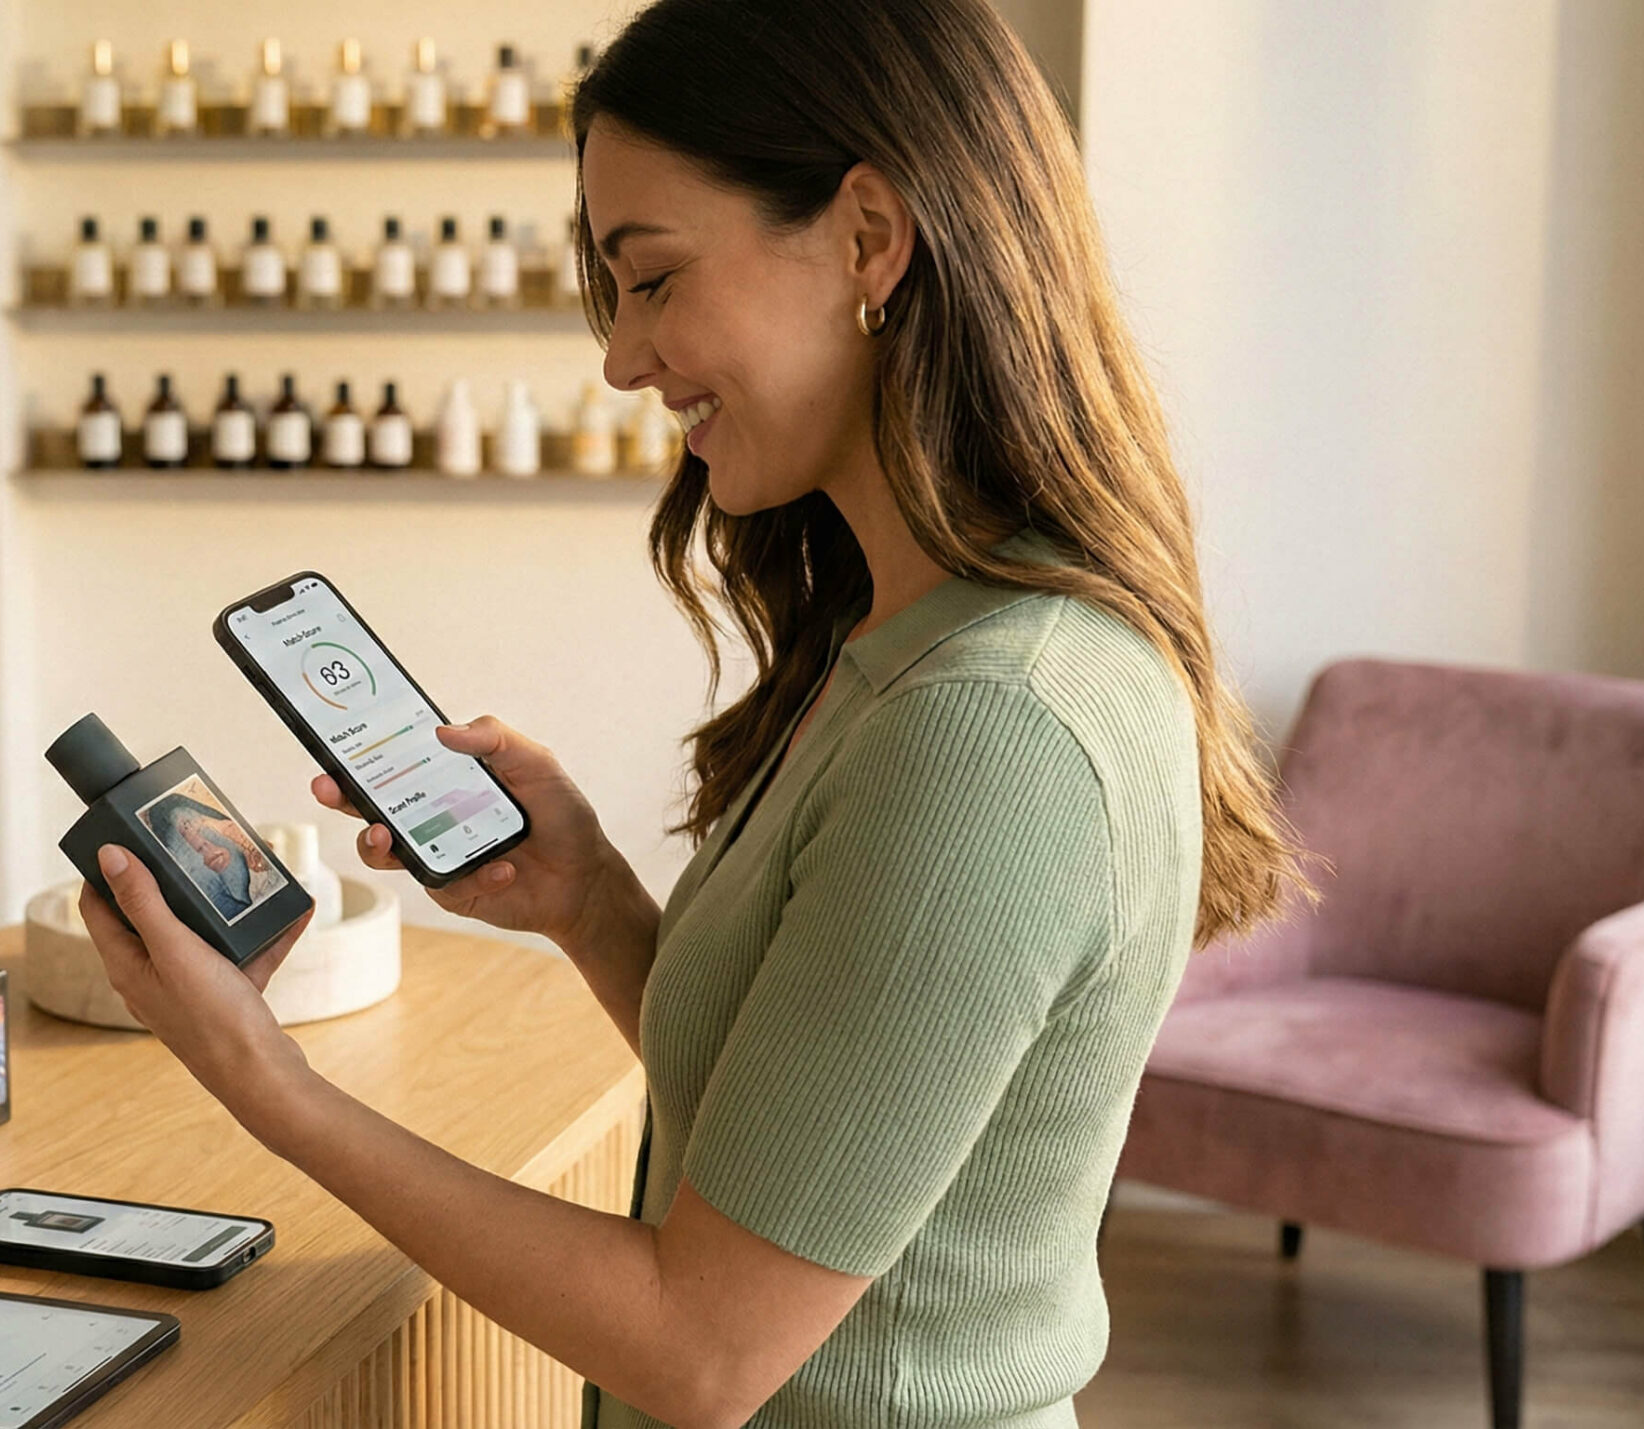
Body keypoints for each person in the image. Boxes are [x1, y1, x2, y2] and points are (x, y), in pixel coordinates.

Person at [75, 1, 1307, 1424]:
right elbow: (803, 1130)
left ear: (868, 236)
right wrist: (589, 898)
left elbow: (706, 1347)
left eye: (651, 279)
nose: (622, 357)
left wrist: (265, 1081)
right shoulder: (923, 644)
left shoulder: (995, 727)